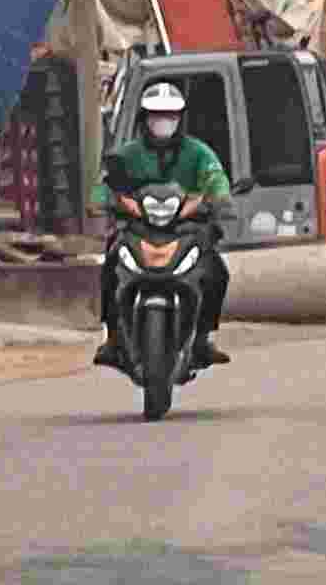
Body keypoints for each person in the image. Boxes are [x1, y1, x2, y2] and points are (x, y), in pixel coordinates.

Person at [91, 82, 232, 372]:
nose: (163, 122)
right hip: (137, 228)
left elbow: (216, 179)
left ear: (180, 119)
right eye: (156, 115)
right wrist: (107, 200)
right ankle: (113, 338)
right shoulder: (127, 155)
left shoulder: (198, 153)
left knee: (218, 271)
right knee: (109, 267)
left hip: (187, 228)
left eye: (170, 115)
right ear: (144, 118)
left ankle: (203, 338)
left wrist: (215, 198)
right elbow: (103, 186)